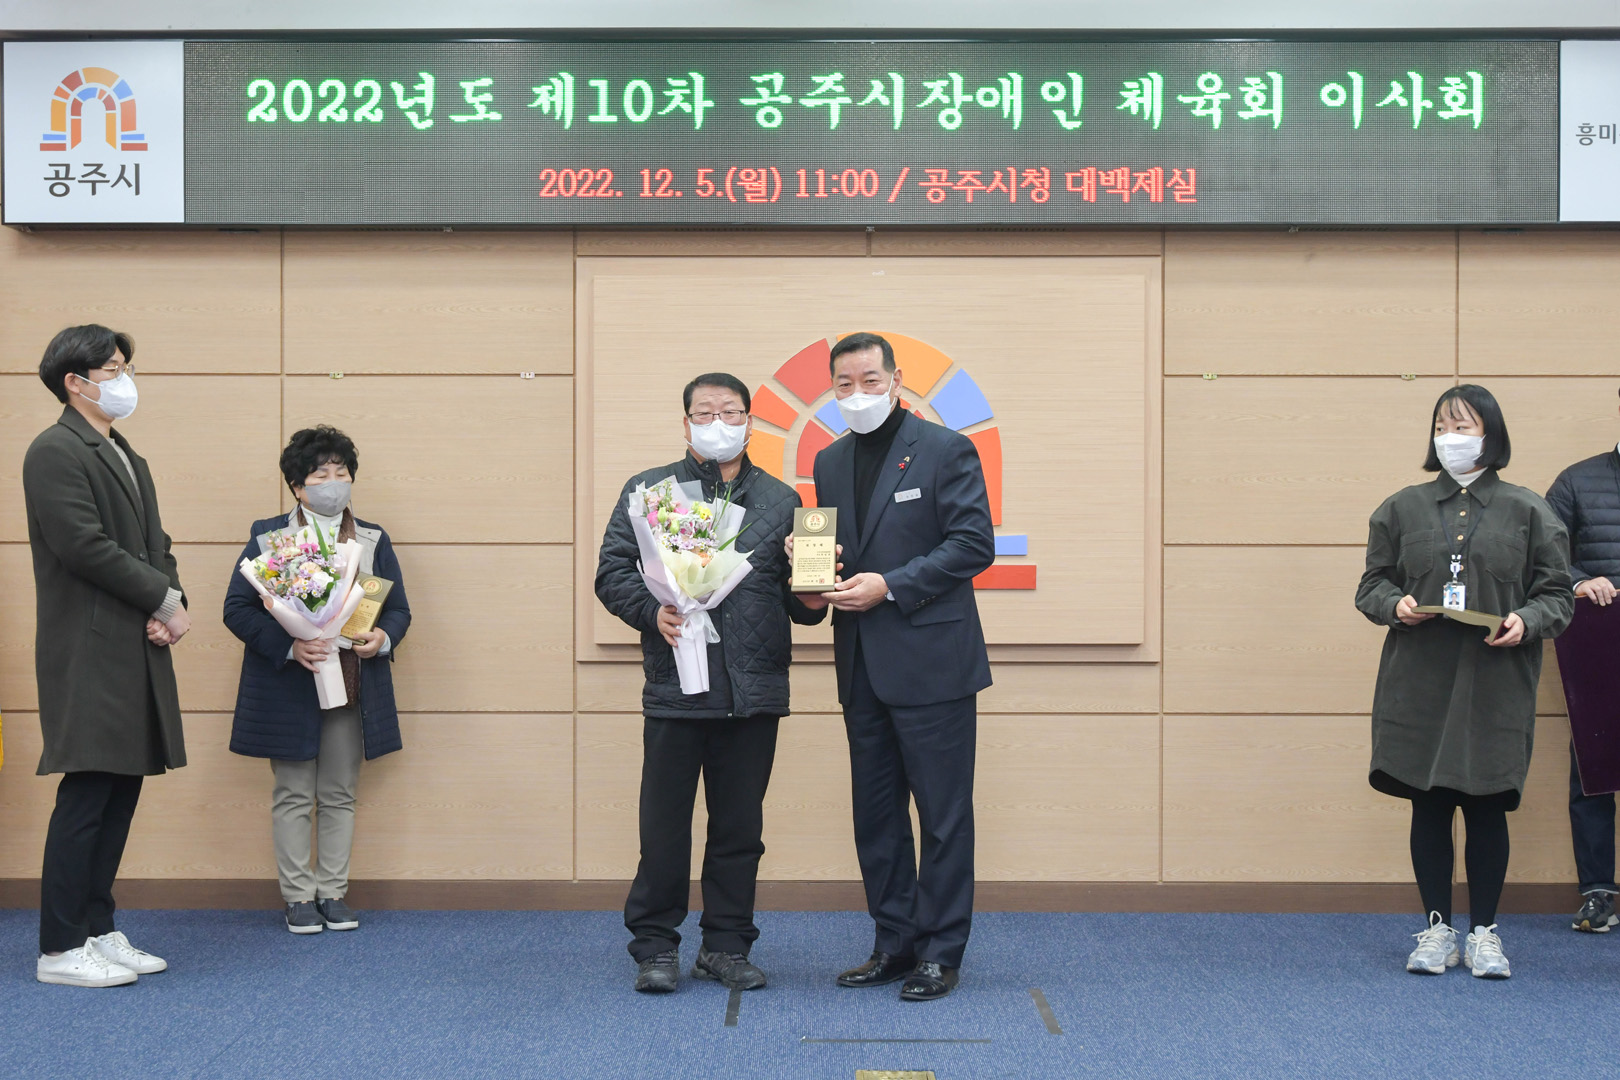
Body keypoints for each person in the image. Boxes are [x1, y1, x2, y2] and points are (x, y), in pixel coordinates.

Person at [595, 373, 821, 994]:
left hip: (753, 692)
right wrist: (652, 611)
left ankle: (726, 946)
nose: (717, 423)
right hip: (677, 687)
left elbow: (804, 608)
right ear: (685, 423)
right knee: (663, 828)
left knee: (740, 831)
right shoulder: (652, 492)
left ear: (750, 422)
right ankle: (655, 947)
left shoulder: (782, 500)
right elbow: (612, 572)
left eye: (730, 412)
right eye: (704, 413)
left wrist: (814, 582)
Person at [794, 332, 995, 1002]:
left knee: (942, 816)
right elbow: (836, 554)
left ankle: (940, 952)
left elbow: (973, 544)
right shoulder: (828, 460)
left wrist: (891, 585)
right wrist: (812, 570)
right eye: (844, 384)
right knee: (876, 817)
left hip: (933, 663)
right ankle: (893, 942)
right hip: (860, 665)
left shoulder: (944, 449)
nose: (857, 394)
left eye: (869, 381)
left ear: (897, 380)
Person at [1356, 384, 1573, 979]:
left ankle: (1483, 933)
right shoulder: (1400, 508)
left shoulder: (1529, 510)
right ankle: (1436, 930)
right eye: (1442, 427)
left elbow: (1558, 595)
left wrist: (1527, 620)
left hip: (1495, 683)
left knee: (1485, 805)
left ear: (1490, 435)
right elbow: (1371, 586)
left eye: (1463, 426)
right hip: (1419, 683)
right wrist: (1394, 604)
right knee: (1428, 804)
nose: (1450, 438)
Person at [24, 325, 190, 987]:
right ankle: (60, 946)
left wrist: (168, 600)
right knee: (89, 790)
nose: (126, 381)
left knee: (121, 789)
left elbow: (156, 543)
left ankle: (97, 927)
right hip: (90, 647)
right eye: (114, 369)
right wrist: (162, 599)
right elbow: (83, 546)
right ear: (76, 381)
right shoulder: (55, 450)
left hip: (132, 643)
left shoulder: (124, 452)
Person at [223, 426, 411, 935]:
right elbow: (238, 609)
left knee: (339, 791)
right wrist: (291, 645)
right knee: (292, 792)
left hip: (351, 682)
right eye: (320, 474)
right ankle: (298, 898)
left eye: (341, 472)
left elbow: (397, 609)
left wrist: (382, 638)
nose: (333, 483)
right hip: (288, 683)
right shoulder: (270, 537)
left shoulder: (372, 538)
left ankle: (332, 892)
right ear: (297, 486)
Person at [1543, 390, 1620, 933]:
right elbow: (1544, 554)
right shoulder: (1577, 480)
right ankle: (1598, 892)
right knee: (1594, 769)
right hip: (1599, 642)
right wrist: (1578, 581)